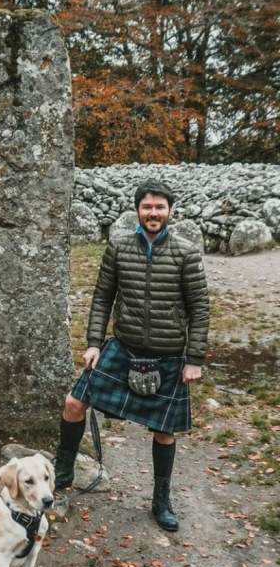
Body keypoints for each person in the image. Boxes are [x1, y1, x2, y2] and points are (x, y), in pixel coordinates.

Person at [54, 179, 210, 531]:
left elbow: (200, 309)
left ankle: (161, 499)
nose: (153, 213)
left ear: (169, 210)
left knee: (165, 429)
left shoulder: (186, 252)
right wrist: (94, 342)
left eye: (159, 207)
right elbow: (102, 298)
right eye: (147, 206)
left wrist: (194, 359)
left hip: (169, 356)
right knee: (74, 403)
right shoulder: (119, 248)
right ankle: (63, 472)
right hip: (122, 348)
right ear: (137, 210)